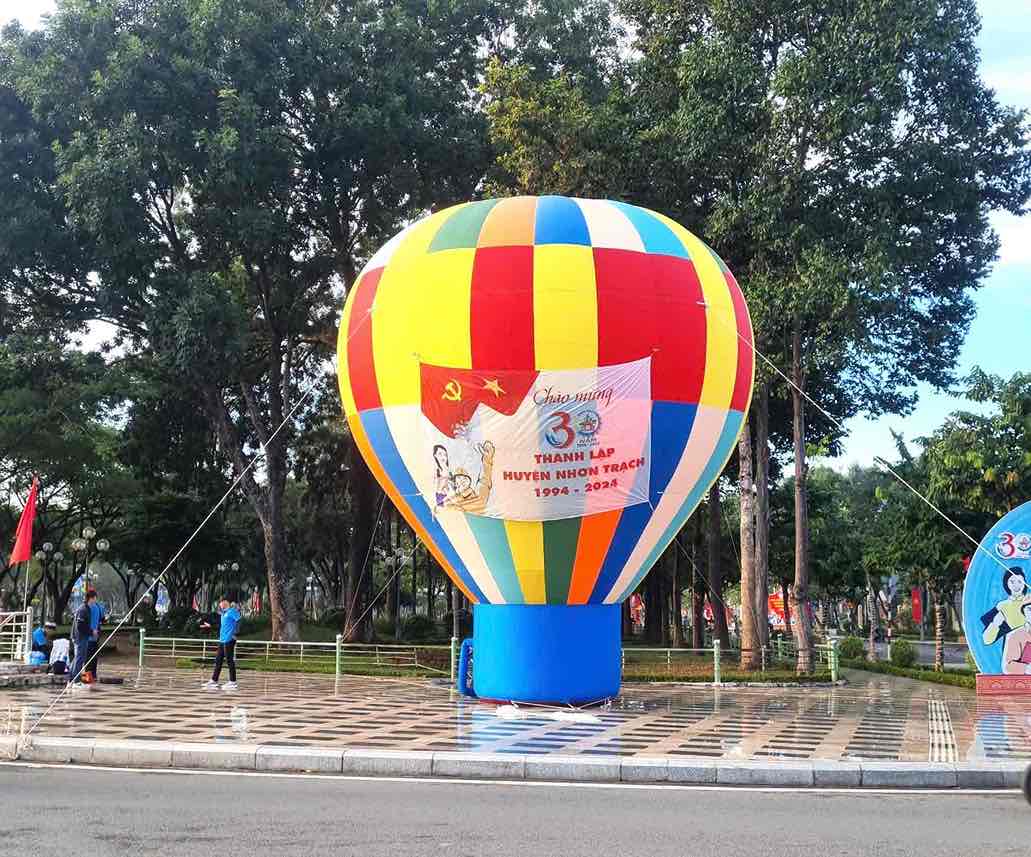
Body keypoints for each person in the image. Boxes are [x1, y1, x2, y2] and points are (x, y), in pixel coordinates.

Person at [202, 595, 241, 691]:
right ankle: (214, 680)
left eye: (220, 603)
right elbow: (221, 625)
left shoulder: (232, 611)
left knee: (229, 661)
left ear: (225, 602)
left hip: (229, 640)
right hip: (222, 640)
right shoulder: (224, 614)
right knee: (218, 660)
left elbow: (239, 620)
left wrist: (235, 633)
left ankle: (233, 682)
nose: (219, 605)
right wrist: (210, 625)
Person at [982, 567, 1029, 645]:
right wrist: (995, 623)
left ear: (1024, 583)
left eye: (1020, 581)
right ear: (1006, 583)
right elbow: (987, 640)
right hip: (1014, 649)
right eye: (1012, 582)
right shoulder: (1002, 606)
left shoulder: (1029, 600)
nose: (1016, 585)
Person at [69, 591, 97, 690]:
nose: (95, 600)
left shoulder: (87, 609)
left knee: (78, 658)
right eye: (95, 598)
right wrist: (91, 632)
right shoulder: (83, 609)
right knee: (79, 659)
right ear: (91, 598)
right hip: (80, 638)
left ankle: (71, 680)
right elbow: (80, 625)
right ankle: (75, 681)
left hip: (82, 637)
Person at [1002, 598, 1031, 675]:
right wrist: (1027, 668)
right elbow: (1008, 667)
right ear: (1023, 612)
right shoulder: (1016, 635)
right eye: (1029, 609)